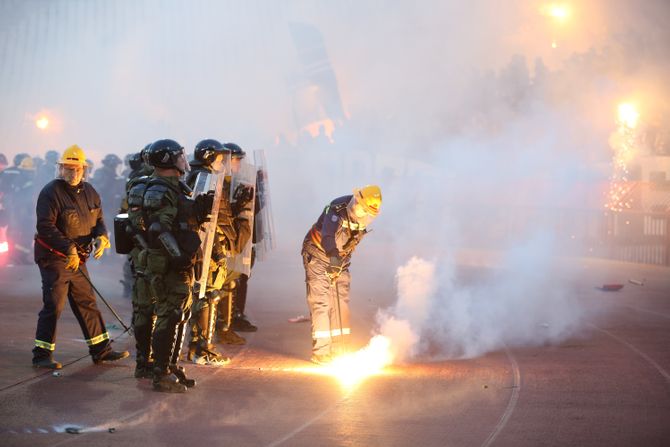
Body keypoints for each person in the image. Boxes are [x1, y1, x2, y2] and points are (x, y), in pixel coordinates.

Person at [32, 145, 129, 369]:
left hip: (77, 258)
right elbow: (45, 226)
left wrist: (102, 237)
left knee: (87, 302)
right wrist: (69, 249)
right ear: (61, 169)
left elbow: (99, 221)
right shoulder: (51, 192)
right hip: (54, 257)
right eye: (68, 168)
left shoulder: (90, 192)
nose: (73, 173)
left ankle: (101, 350)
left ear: (84, 170)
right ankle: (41, 355)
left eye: (77, 169)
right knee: (54, 304)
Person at [142, 139, 212, 392]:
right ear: (169, 159)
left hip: (181, 259)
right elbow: (159, 228)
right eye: (180, 156)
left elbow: (180, 219)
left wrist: (198, 212)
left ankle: (170, 364)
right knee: (168, 316)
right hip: (169, 264)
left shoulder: (174, 186)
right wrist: (178, 256)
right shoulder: (159, 189)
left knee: (180, 314)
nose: (185, 159)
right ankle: (160, 373)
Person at [184, 139, 252, 363]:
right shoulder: (203, 180)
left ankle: (201, 346)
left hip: (213, 248)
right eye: (220, 158)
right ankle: (201, 349)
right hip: (209, 251)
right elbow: (202, 221)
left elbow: (218, 216)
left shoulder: (208, 178)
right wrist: (215, 251)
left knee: (208, 296)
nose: (224, 162)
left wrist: (238, 206)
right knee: (206, 296)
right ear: (209, 158)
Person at [301, 185, 382, 364]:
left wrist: (339, 262)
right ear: (357, 200)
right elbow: (328, 236)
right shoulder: (337, 208)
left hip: (341, 260)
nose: (362, 213)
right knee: (321, 302)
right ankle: (321, 352)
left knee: (340, 301)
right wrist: (334, 259)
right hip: (318, 254)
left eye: (367, 212)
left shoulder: (364, 218)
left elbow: (349, 242)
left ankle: (339, 349)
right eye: (361, 207)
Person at [221, 142, 257, 335]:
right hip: (226, 242)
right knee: (223, 287)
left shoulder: (236, 181)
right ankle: (224, 325)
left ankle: (233, 318)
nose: (239, 164)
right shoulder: (220, 182)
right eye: (236, 160)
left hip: (238, 240)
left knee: (239, 280)